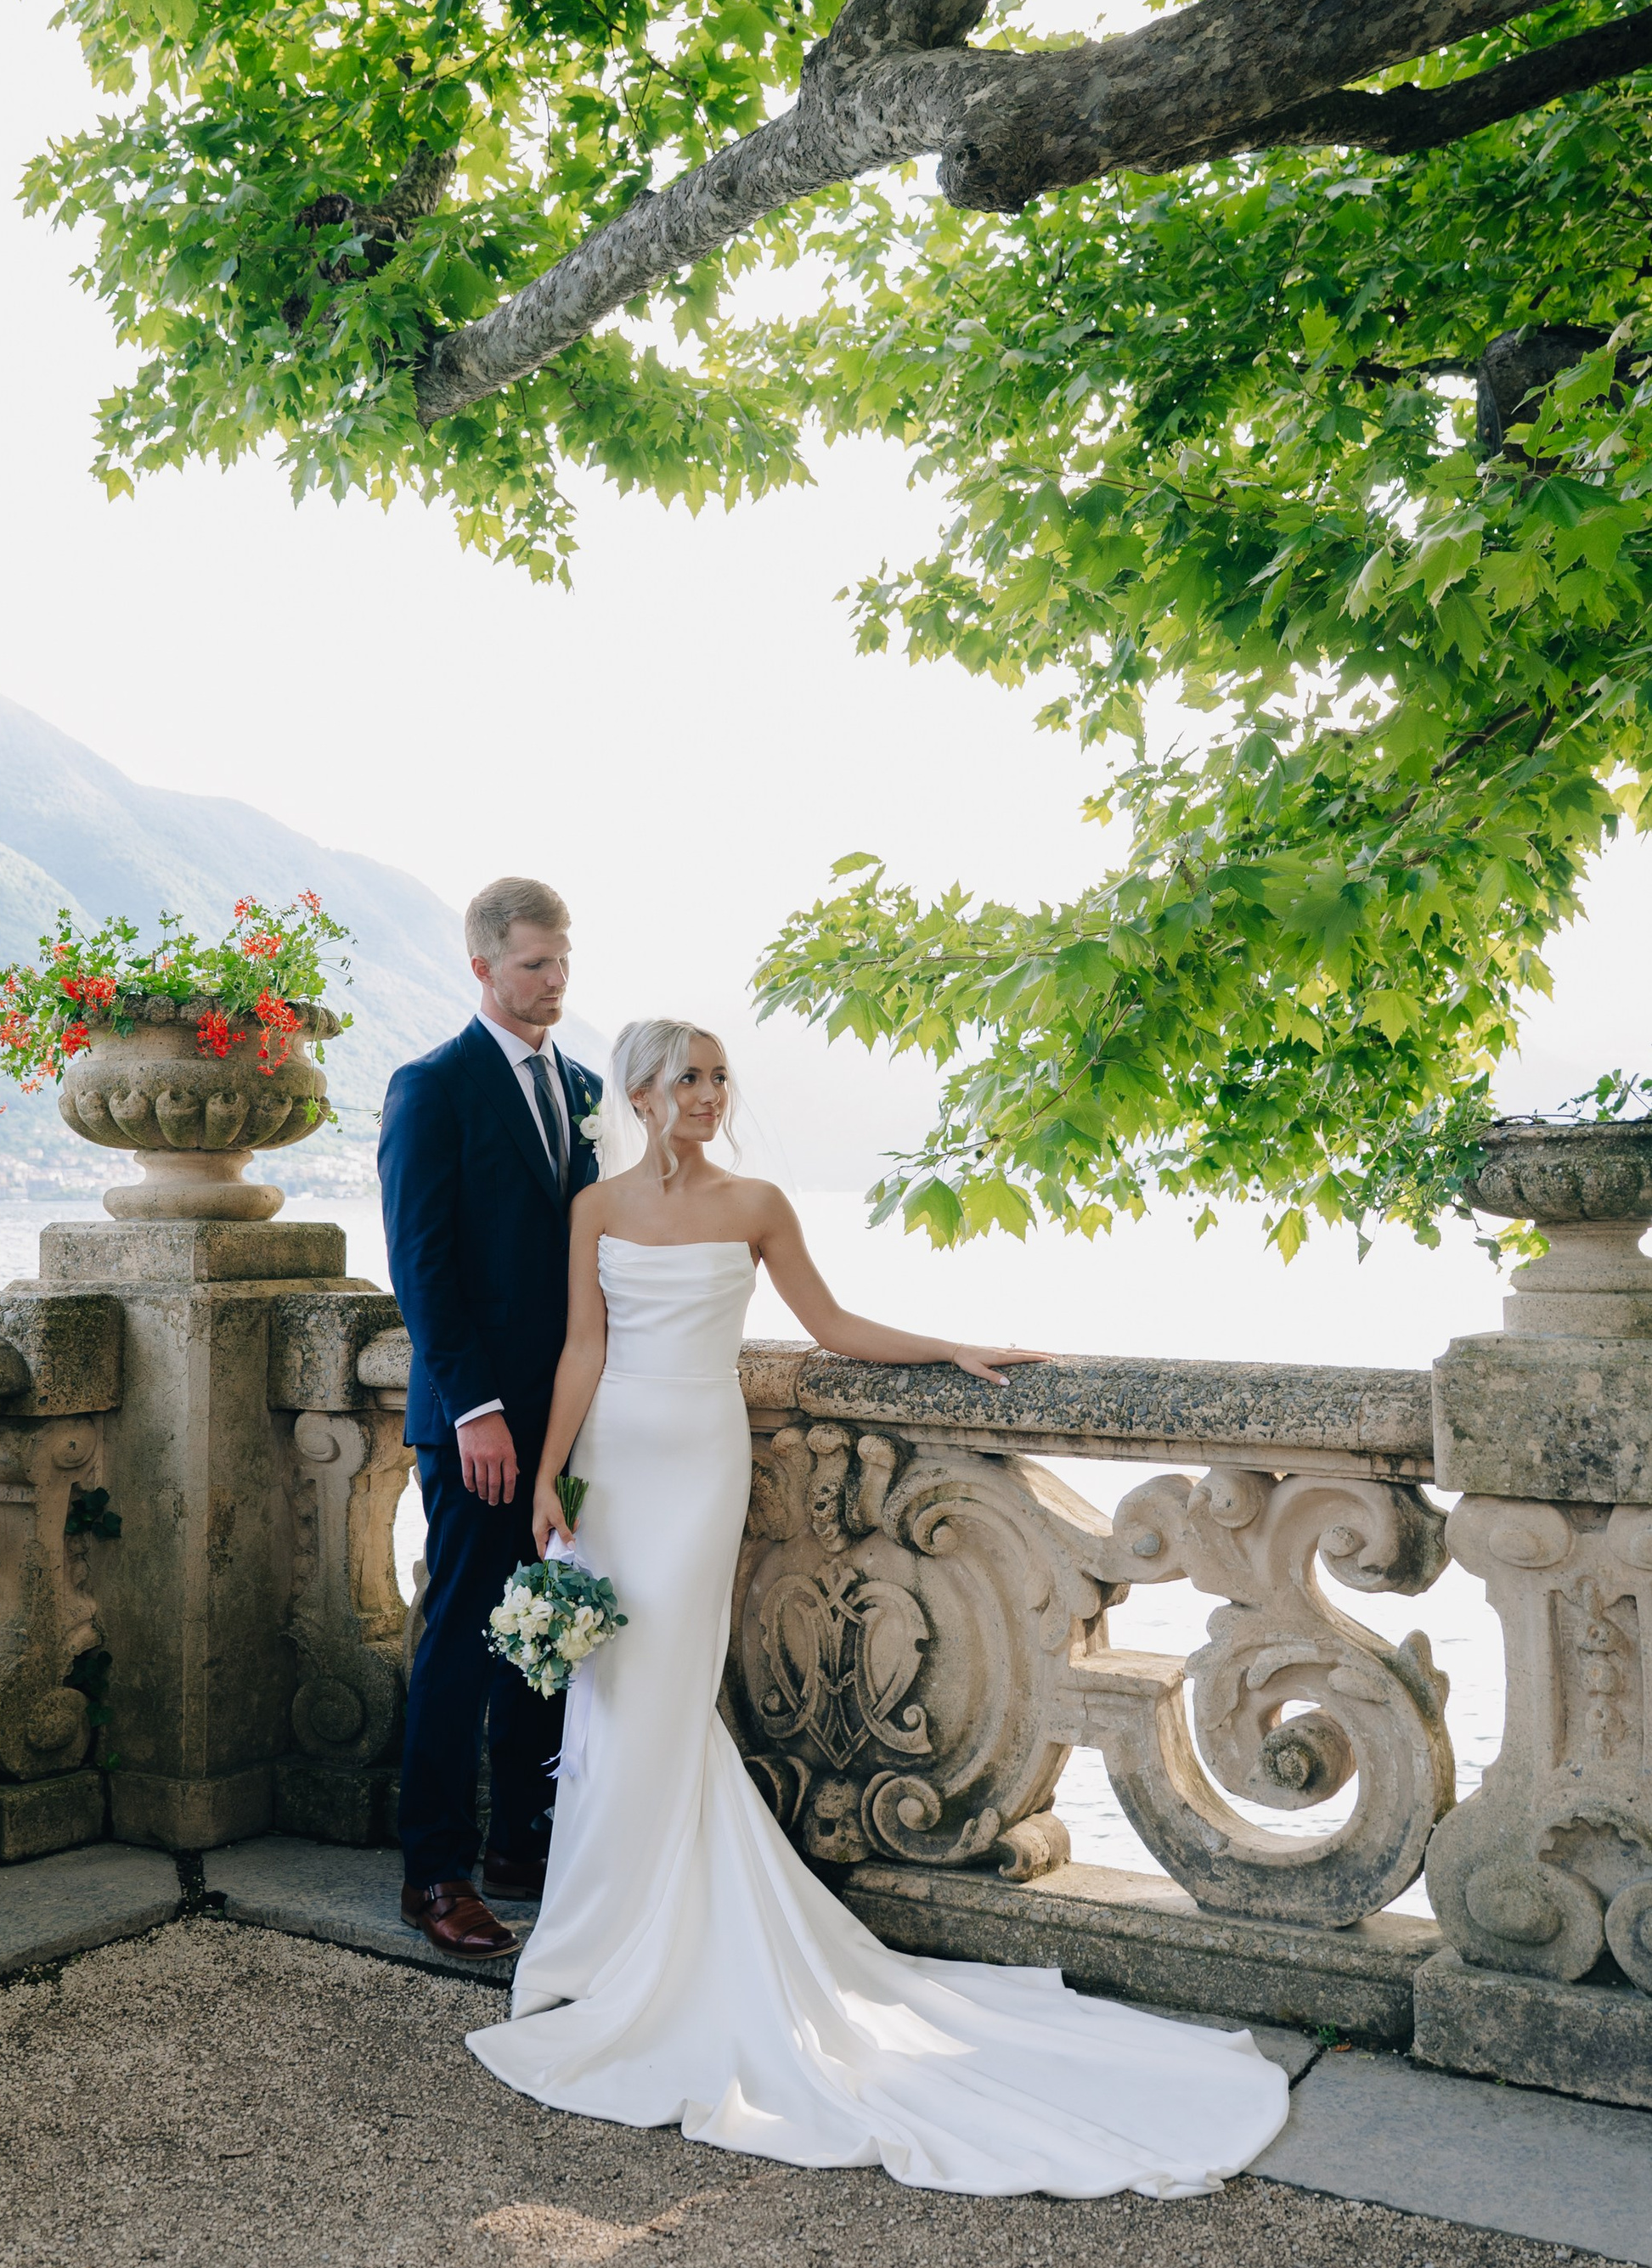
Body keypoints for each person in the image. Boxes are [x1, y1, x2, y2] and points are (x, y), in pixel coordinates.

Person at [465, 1020, 1291, 2198]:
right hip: (616, 1453)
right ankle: (597, 1941)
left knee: (665, 1688)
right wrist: (551, 1475)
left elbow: (830, 1328)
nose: (708, 1094)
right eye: (687, 1079)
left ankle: (649, 1944)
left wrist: (952, 1350)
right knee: (611, 1690)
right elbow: (583, 1349)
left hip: (699, 1463)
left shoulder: (755, 1204)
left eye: (716, 1078)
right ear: (641, 1093)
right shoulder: (594, 1212)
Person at [377, 877, 603, 1961]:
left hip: (567, 1418)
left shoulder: (589, 1087)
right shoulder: (433, 1087)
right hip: (476, 1424)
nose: (553, 982)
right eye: (531, 965)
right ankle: (435, 1872)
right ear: (480, 967)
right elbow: (422, 1264)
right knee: (462, 1639)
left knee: (547, 1632)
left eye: (562, 961)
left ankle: (520, 1837)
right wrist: (473, 1407)